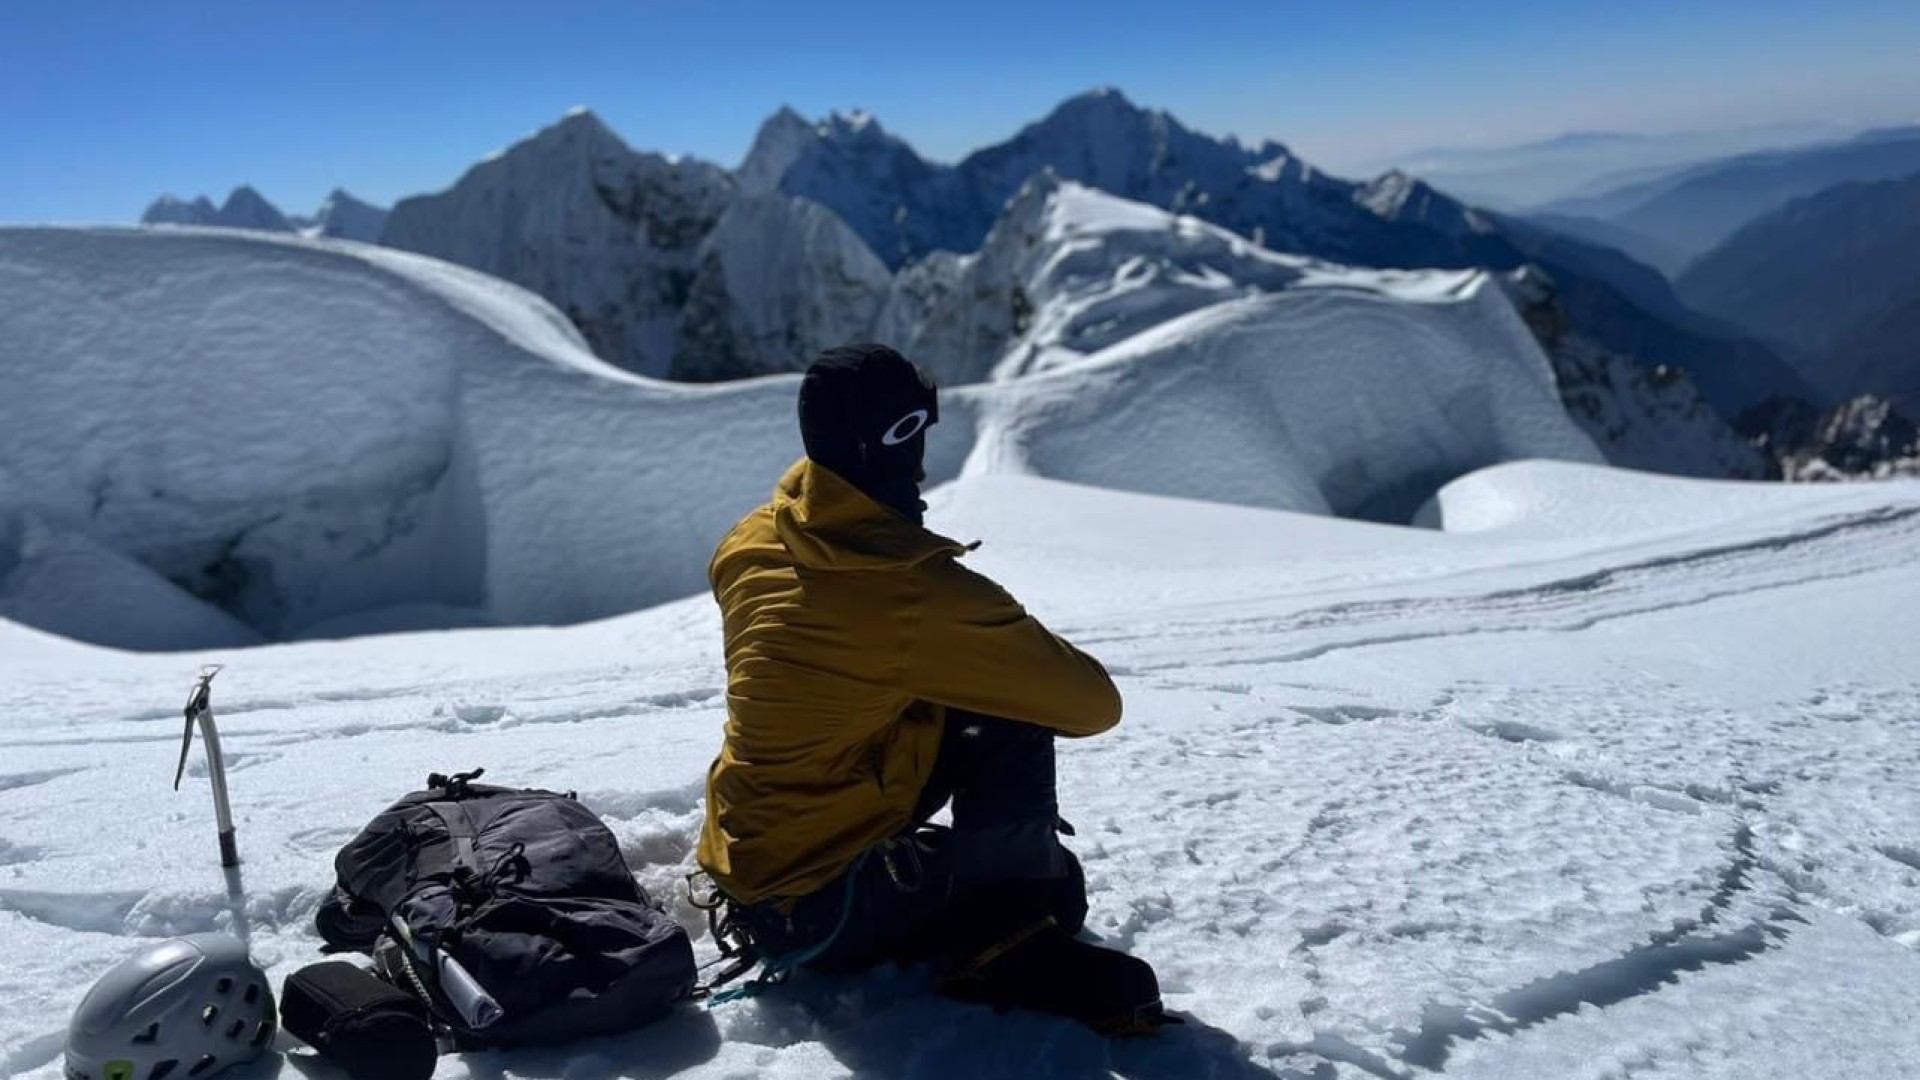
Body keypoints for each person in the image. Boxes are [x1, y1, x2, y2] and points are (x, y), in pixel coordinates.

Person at [695, 343, 1167, 1035]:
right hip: (826, 904)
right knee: (1055, 879)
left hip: (748, 856)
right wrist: (972, 651)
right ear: (900, 438)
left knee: (950, 696)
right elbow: (1093, 704)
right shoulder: (915, 592)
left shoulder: (753, 539)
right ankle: (1002, 948)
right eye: (920, 428)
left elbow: (827, 657)